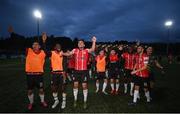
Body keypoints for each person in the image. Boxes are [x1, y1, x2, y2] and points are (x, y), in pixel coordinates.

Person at [63, 36, 96, 109]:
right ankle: (75, 100)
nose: (80, 44)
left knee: (84, 86)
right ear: (77, 45)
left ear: (84, 45)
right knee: (75, 85)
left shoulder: (87, 50)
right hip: (76, 71)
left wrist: (94, 41)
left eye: (81, 43)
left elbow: (93, 49)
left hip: (84, 71)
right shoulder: (75, 50)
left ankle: (85, 101)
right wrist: (62, 53)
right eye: (79, 43)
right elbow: (68, 54)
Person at [42, 33, 67, 109]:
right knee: (54, 88)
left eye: (60, 46)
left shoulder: (63, 53)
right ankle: (56, 100)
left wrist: (64, 72)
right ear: (54, 47)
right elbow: (45, 50)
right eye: (57, 46)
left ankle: (64, 101)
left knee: (63, 88)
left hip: (61, 73)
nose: (59, 47)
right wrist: (44, 42)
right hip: (54, 74)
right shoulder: (52, 53)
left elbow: (65, 64)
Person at [25, 40, 48, 110]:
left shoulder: (43, 53)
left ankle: (42, 101)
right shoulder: (28, 51)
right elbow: (17, 42)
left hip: (39, 75)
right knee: (30, 91)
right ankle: (31, 103)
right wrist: (12, 34)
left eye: (36, 44)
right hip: (30, 75)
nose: (35, 45)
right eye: (33, 44)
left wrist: (44, 41)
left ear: (39, 46)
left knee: (41, 90)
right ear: (32, 46)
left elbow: (47, 51)